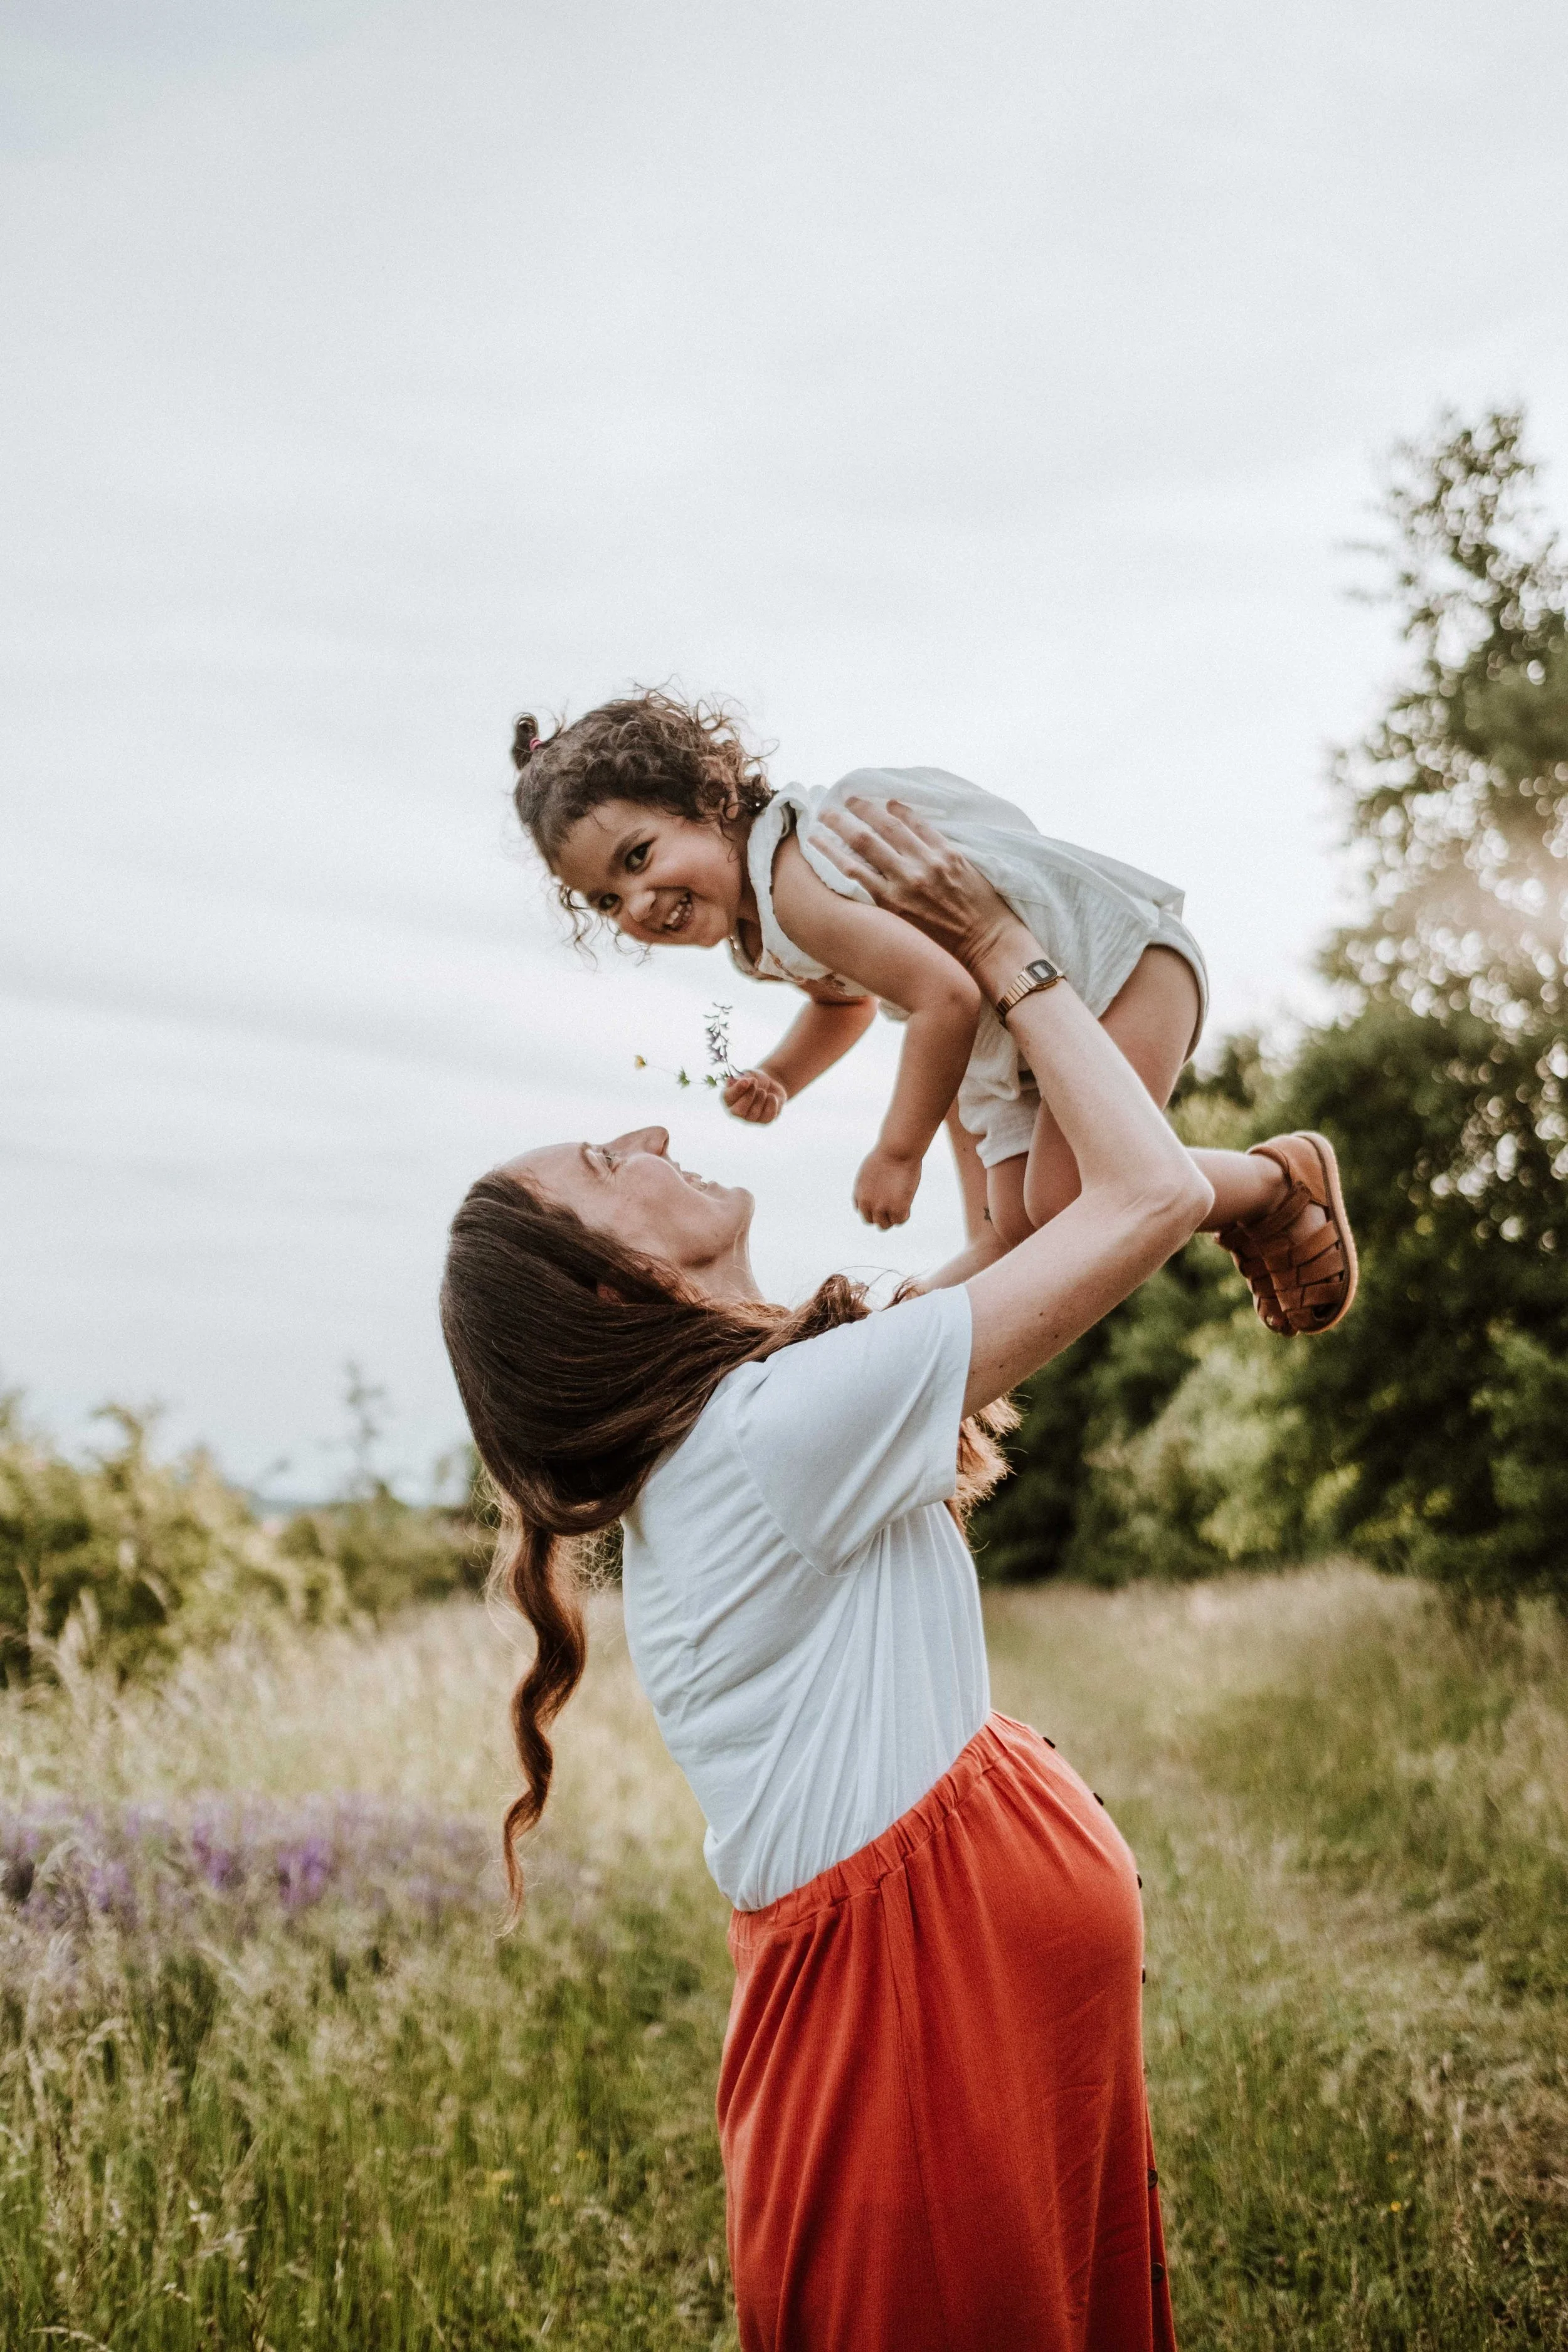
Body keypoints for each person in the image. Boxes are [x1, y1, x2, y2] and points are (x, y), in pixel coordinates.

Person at [441, 800, 1236, 2349]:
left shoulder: (770, 1409)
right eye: (615, 1159)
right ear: (618, 1283)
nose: (660, 1131)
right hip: (904, 2034)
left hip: (943, 2011)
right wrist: (1005, 951)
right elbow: (1144, 1200)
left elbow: (1013, 1237)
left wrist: (964, 1048)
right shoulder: (775, 1426)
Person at [511, 688, 1356, 1335]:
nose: (636, 902)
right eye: (604, 899)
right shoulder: (762, 923)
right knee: (1022, 1223)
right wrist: (781, 1074)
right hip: (1023, 1028)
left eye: (638, 855)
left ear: (710, 799)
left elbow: (943, 997)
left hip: (1108, 974)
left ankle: (1274, 1186)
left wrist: (898, 1151)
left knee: (1069, 1203)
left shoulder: (798, 880)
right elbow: (843, 1004)